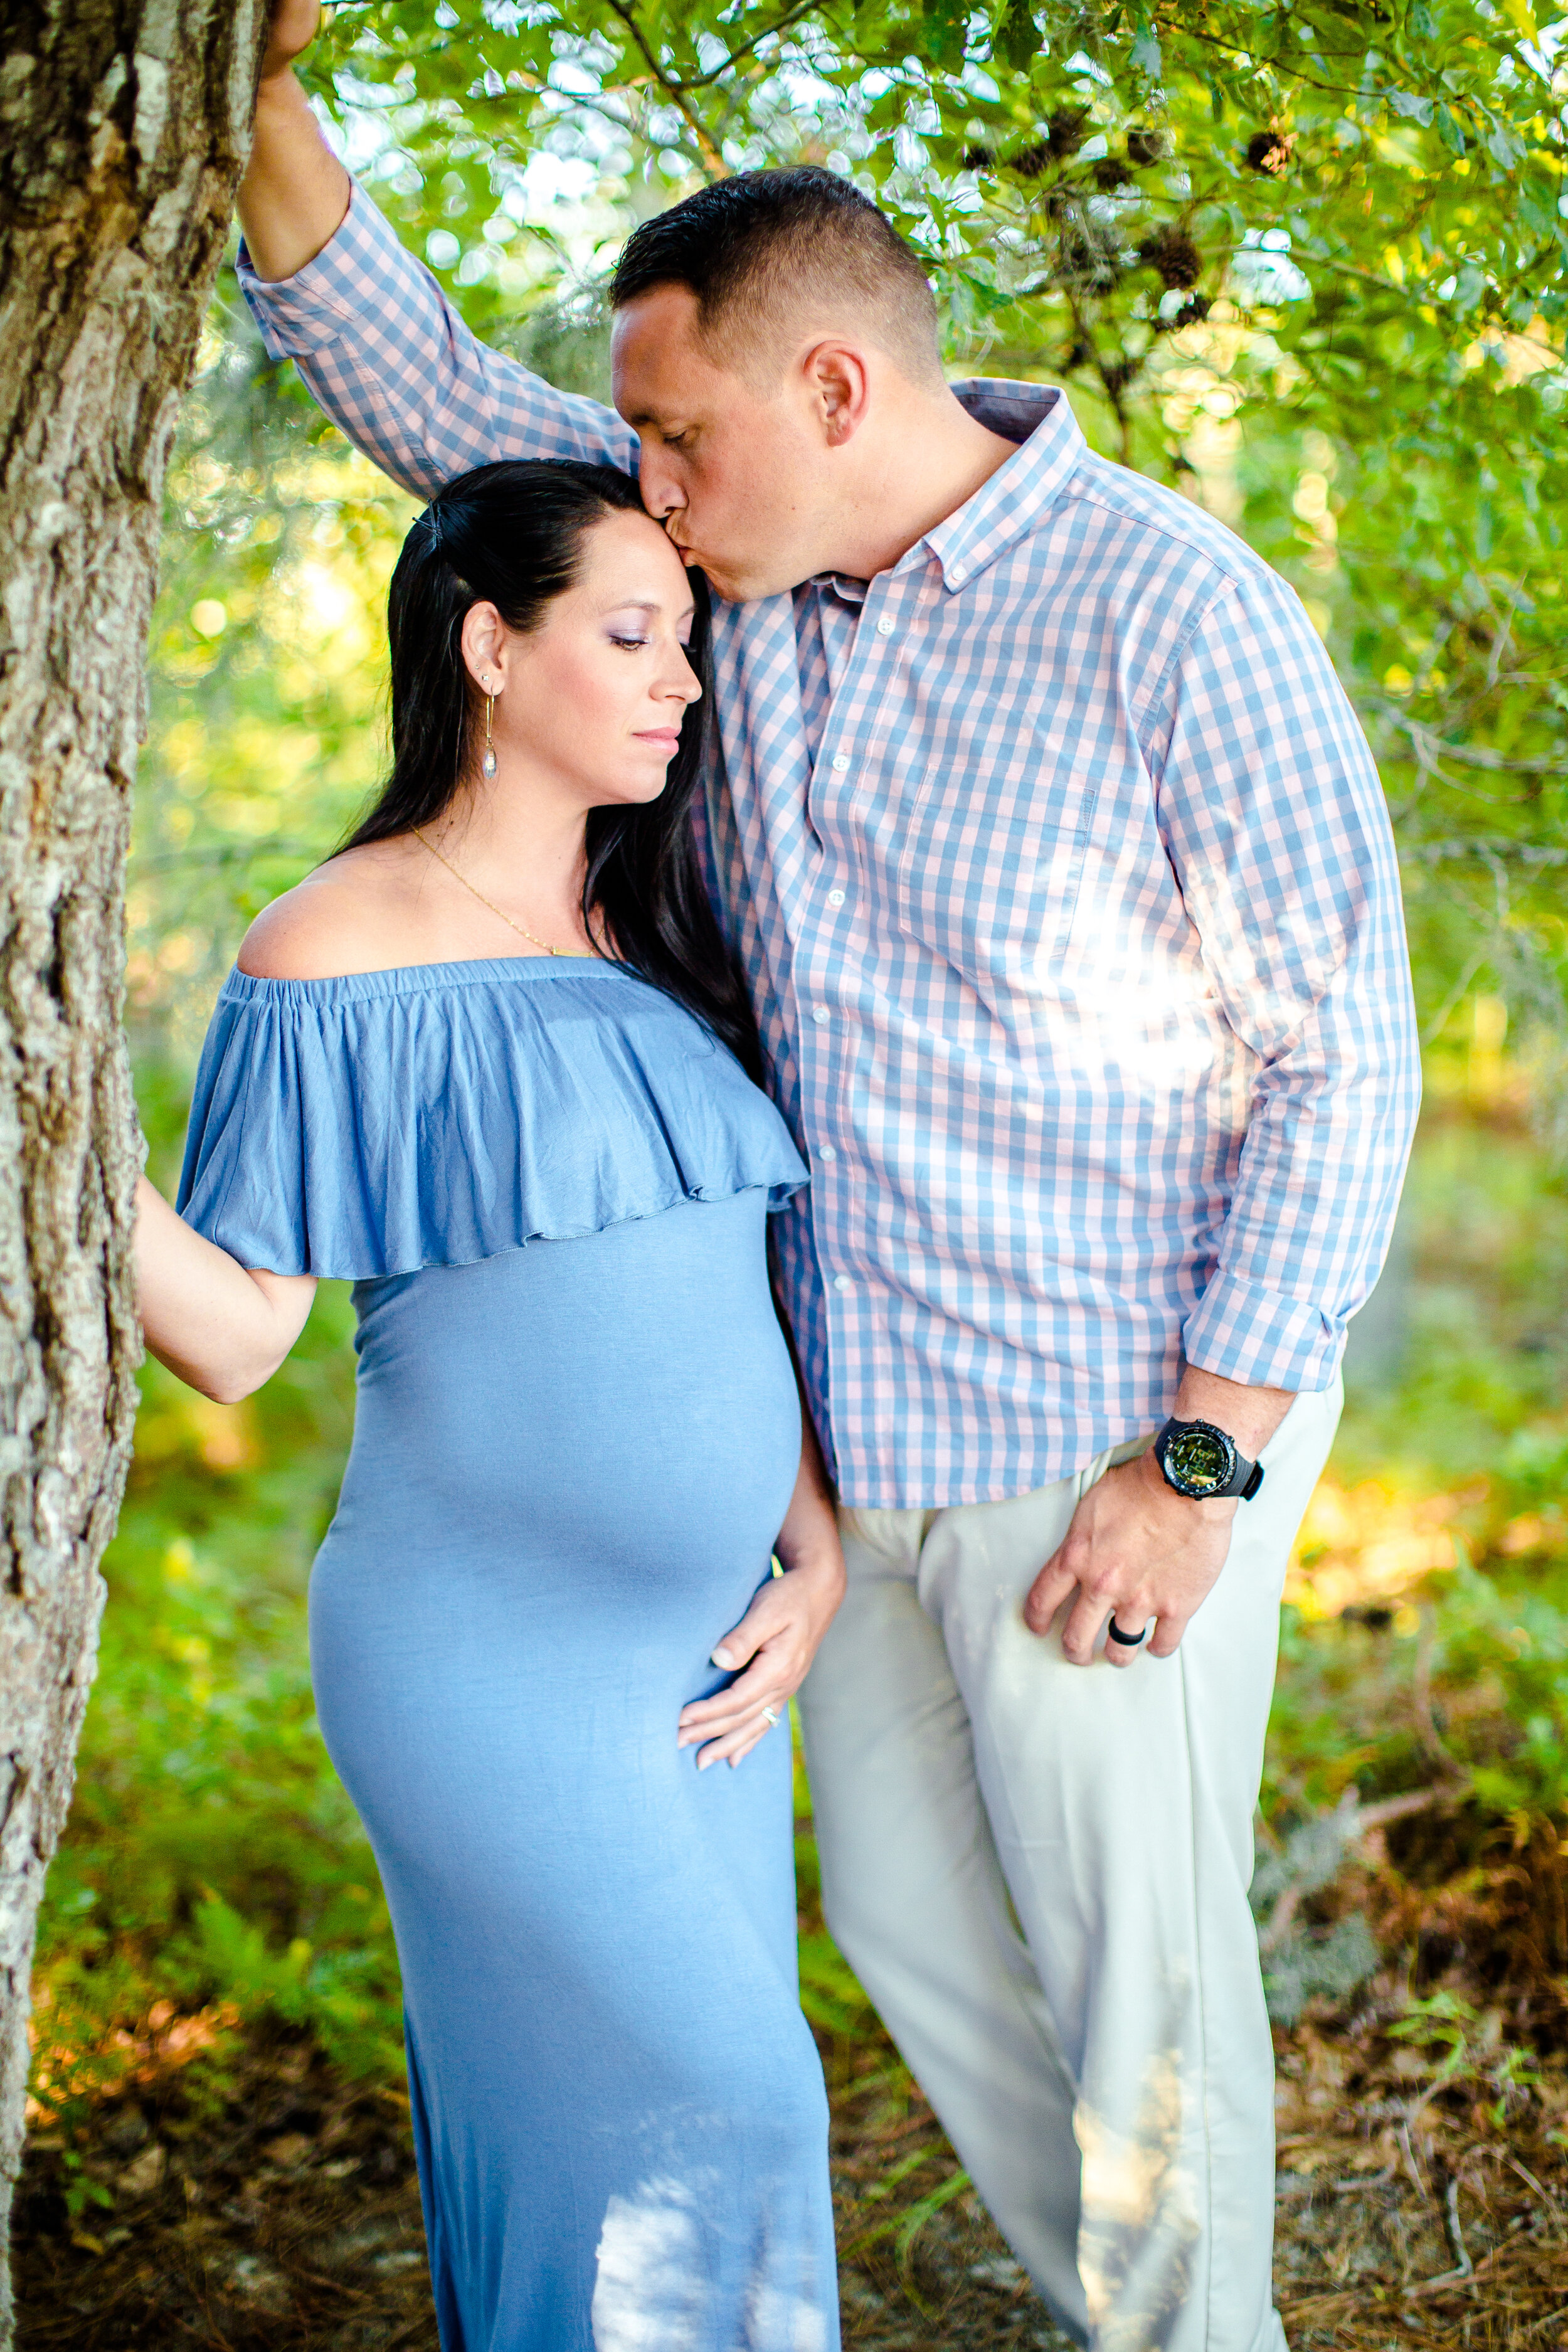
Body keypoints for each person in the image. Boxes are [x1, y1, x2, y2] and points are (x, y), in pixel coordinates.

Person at [234, 11, 1422, 2346]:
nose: (644, 487)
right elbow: (441, 411)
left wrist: (1198, 1466)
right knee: (907, 1942)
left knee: (1142, 2015)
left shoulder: (1178, 617)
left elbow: (1339, 1066)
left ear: (835, 399)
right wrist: (263, 111)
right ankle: (1135, 2324)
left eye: (673, 435)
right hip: (850, 1475)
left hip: (1106, 1446)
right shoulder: (724, 590)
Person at [135, 457, 847, 2352]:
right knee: (735, 2105)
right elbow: (227, 1333)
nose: (679, 681)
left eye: (684, 643)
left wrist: (820, 1555)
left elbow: (730, 1293)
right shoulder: (329, 948)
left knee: (622, 2151)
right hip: (486, 1667)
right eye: (629, 634)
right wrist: (52, 1142)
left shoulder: (660, 940)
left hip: (707, 1677)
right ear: (486, 645)